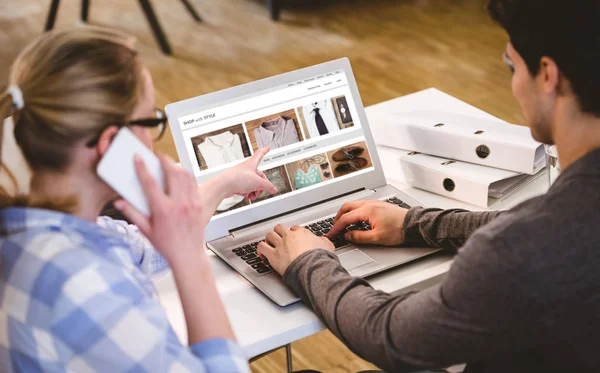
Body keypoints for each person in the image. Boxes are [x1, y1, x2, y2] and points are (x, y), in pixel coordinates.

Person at [257, 0, 600, 372]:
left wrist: (308, 262)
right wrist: (415, 223)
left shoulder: (519, 249)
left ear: (548, 75)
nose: (515, 85)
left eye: (512, 65)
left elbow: (389, 335)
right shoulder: (567, 219)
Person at [0, 27, 277, 372]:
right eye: (150, 121)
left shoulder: (32, 226)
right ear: (110, 144)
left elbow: (139, 247)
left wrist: (224, 183)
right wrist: (190, 259)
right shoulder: (85, 288)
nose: (152, 140)